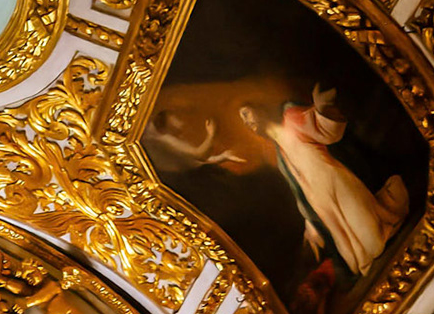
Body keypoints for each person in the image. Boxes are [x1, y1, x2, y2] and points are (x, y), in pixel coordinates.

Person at [146, 84, 409, 278]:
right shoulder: (279, 153)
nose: (248, 122)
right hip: (319, 198)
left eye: (248, 114)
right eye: (244, 121)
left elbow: (324, 129)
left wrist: (322, 108)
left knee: (373, 238)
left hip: (335, 181)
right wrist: (309, 223)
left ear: (260, 110)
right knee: (359, 255)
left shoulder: (291, 118)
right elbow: (297, 189)